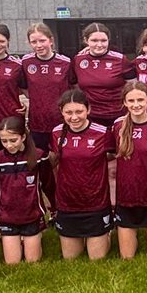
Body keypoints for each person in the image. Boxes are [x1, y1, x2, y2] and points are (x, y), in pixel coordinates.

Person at [51, 89, 115, 261]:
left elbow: (113, 159)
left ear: (88, 109)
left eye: (79, 111)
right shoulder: (56, 133)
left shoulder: (102, 132)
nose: (74, 117)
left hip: (95, 203)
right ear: (61, 112)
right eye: (68, 112)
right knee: (71, 258)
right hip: (68, 203)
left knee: (96, 258)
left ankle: (106, 232)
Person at [112, 82, 147, 259]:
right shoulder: (118, 126)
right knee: (127, 257)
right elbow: (112, 160)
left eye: (140, 100)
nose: (136, 104)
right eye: (131, 100)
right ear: (125, 103)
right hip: (126, 194)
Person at [0, 115, 49, 264]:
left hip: (31, 216)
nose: (9, 145)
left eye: (13, 140)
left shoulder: (39, 156)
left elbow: (49, 184)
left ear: (23, 137)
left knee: (32, 261)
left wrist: (54, 206)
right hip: (8, 217)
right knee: (12, 263)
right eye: (4, 141)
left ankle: (34, 237)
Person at [21, 22, 76, 152]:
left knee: (62, 158)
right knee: (41, 160)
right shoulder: (25, 62)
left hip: (61, 120)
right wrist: (37, 98)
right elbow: (22, 86)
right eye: (34, 42)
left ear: (51, 40)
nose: (38, 45)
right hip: (37, 122)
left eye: (42, 40)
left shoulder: (65, 62)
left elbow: (74, 87)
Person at [73, 22, 136, 128]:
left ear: (108, 40)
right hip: (90, 116)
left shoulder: (120, 60)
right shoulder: (78, 60)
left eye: (103, 40)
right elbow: (74, 85)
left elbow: (134, 87)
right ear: (86, 40)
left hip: (118, 115)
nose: (99, 44)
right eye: (94, 40)